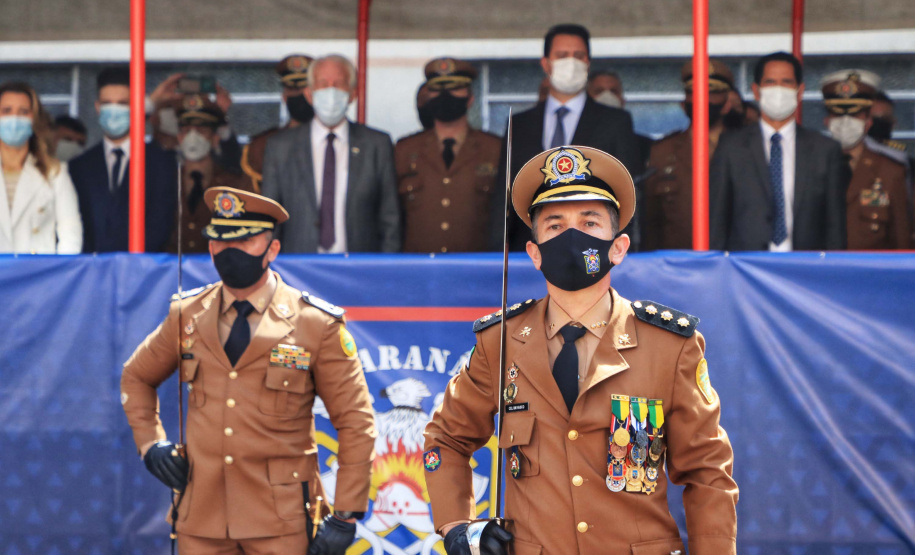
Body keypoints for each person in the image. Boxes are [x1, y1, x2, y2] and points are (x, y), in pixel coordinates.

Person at [424, 145, 738, 555]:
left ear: (618, 247)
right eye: (555, 226)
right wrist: (455, 527)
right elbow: (446, 438)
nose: (573, 237)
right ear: (535, 253)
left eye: (590, 222)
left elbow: (707, 471)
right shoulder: (500, 343)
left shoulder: (670, 345)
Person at [121, 187, 376, 554]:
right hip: (201, 517)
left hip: (281, 521)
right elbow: (136, 376)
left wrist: (347, 513)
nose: (230, 252)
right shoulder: (187, 315)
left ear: (272, 249)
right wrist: (151, 444)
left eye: (245, 242)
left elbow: (355, 420)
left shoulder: (314, 323)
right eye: (219, 242)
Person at [493, 24, 639, 252]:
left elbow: (628, 193)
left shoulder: (615, 122)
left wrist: (627, 253)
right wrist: (496, 256)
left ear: (588, 63)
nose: (571, 62)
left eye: (578, 56)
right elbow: (503, 201)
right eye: (562, 55)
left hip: (594, 251)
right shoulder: (518, 125)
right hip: (529, 252)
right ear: (546, 63)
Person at [261, 54, 401, 253]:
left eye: (339, 84)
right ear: (309, 94)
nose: (331, 90)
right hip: (297, 271)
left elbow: (390, 219)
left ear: (353, 94)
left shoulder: (376, 144)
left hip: (359, 268)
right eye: (323, 84)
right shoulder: (281, 147)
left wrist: (385, 272)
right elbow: (270, 219)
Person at [710, 51, 846, 251]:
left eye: (786, 82)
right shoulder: (731, 147)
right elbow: (717, 218)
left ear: (800, 92)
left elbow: (835, 225)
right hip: (748, 268)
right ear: (756, 91)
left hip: (804, 268)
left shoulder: (825, 149)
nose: (778, 89)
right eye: (770, 82)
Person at [395, 58, 501, 253]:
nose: (445, 96)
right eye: (437, 89)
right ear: (428, 98)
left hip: (477, 269)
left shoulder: (495, 149)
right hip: (418, 269)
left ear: (470, 98)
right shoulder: (404, 150)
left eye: (454, 88)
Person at [68, 67, 178, 252]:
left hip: (143, 273)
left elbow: (161, 226)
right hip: (91, 273)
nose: (114, 111)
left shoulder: (161, 163)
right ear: (97, 107)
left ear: (136, 107)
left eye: (122, 103)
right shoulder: (79, 167)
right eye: (107, 103)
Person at [641, 59, 735, 251]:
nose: (703, 103)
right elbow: (650, 221)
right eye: (696, 95)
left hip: (731, 266)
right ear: (684, 104)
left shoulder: (744, 150)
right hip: (675, 266)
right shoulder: (662, 152)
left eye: (712, 95)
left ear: (727, 105)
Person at [821, 69, 910, 249]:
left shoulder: (890, 172)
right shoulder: (808, 167)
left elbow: (902, 241)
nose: (845, 121)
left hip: (873, 274)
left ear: (868, 121)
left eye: (854, 114)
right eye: (838, 113)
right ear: (827, 120)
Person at [0, 81, 82, 254]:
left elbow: (70, 234)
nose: (14, 118)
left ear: (34, 119)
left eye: (24, 112)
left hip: (38, 276)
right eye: (6, 111)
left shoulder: (55, 172)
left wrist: (57, 277)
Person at [165, 95, 254, 253]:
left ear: (215, 139)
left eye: (201, 130)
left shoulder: (233, 184)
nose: (192, 138)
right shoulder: (165, 181)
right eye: (186, 131)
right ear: (179, 138)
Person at [241, 55, 315, 191]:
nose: (301, 96)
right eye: (294, 90)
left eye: (306, 89)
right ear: (284, 97)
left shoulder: (335, 140)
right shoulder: (262, 146)